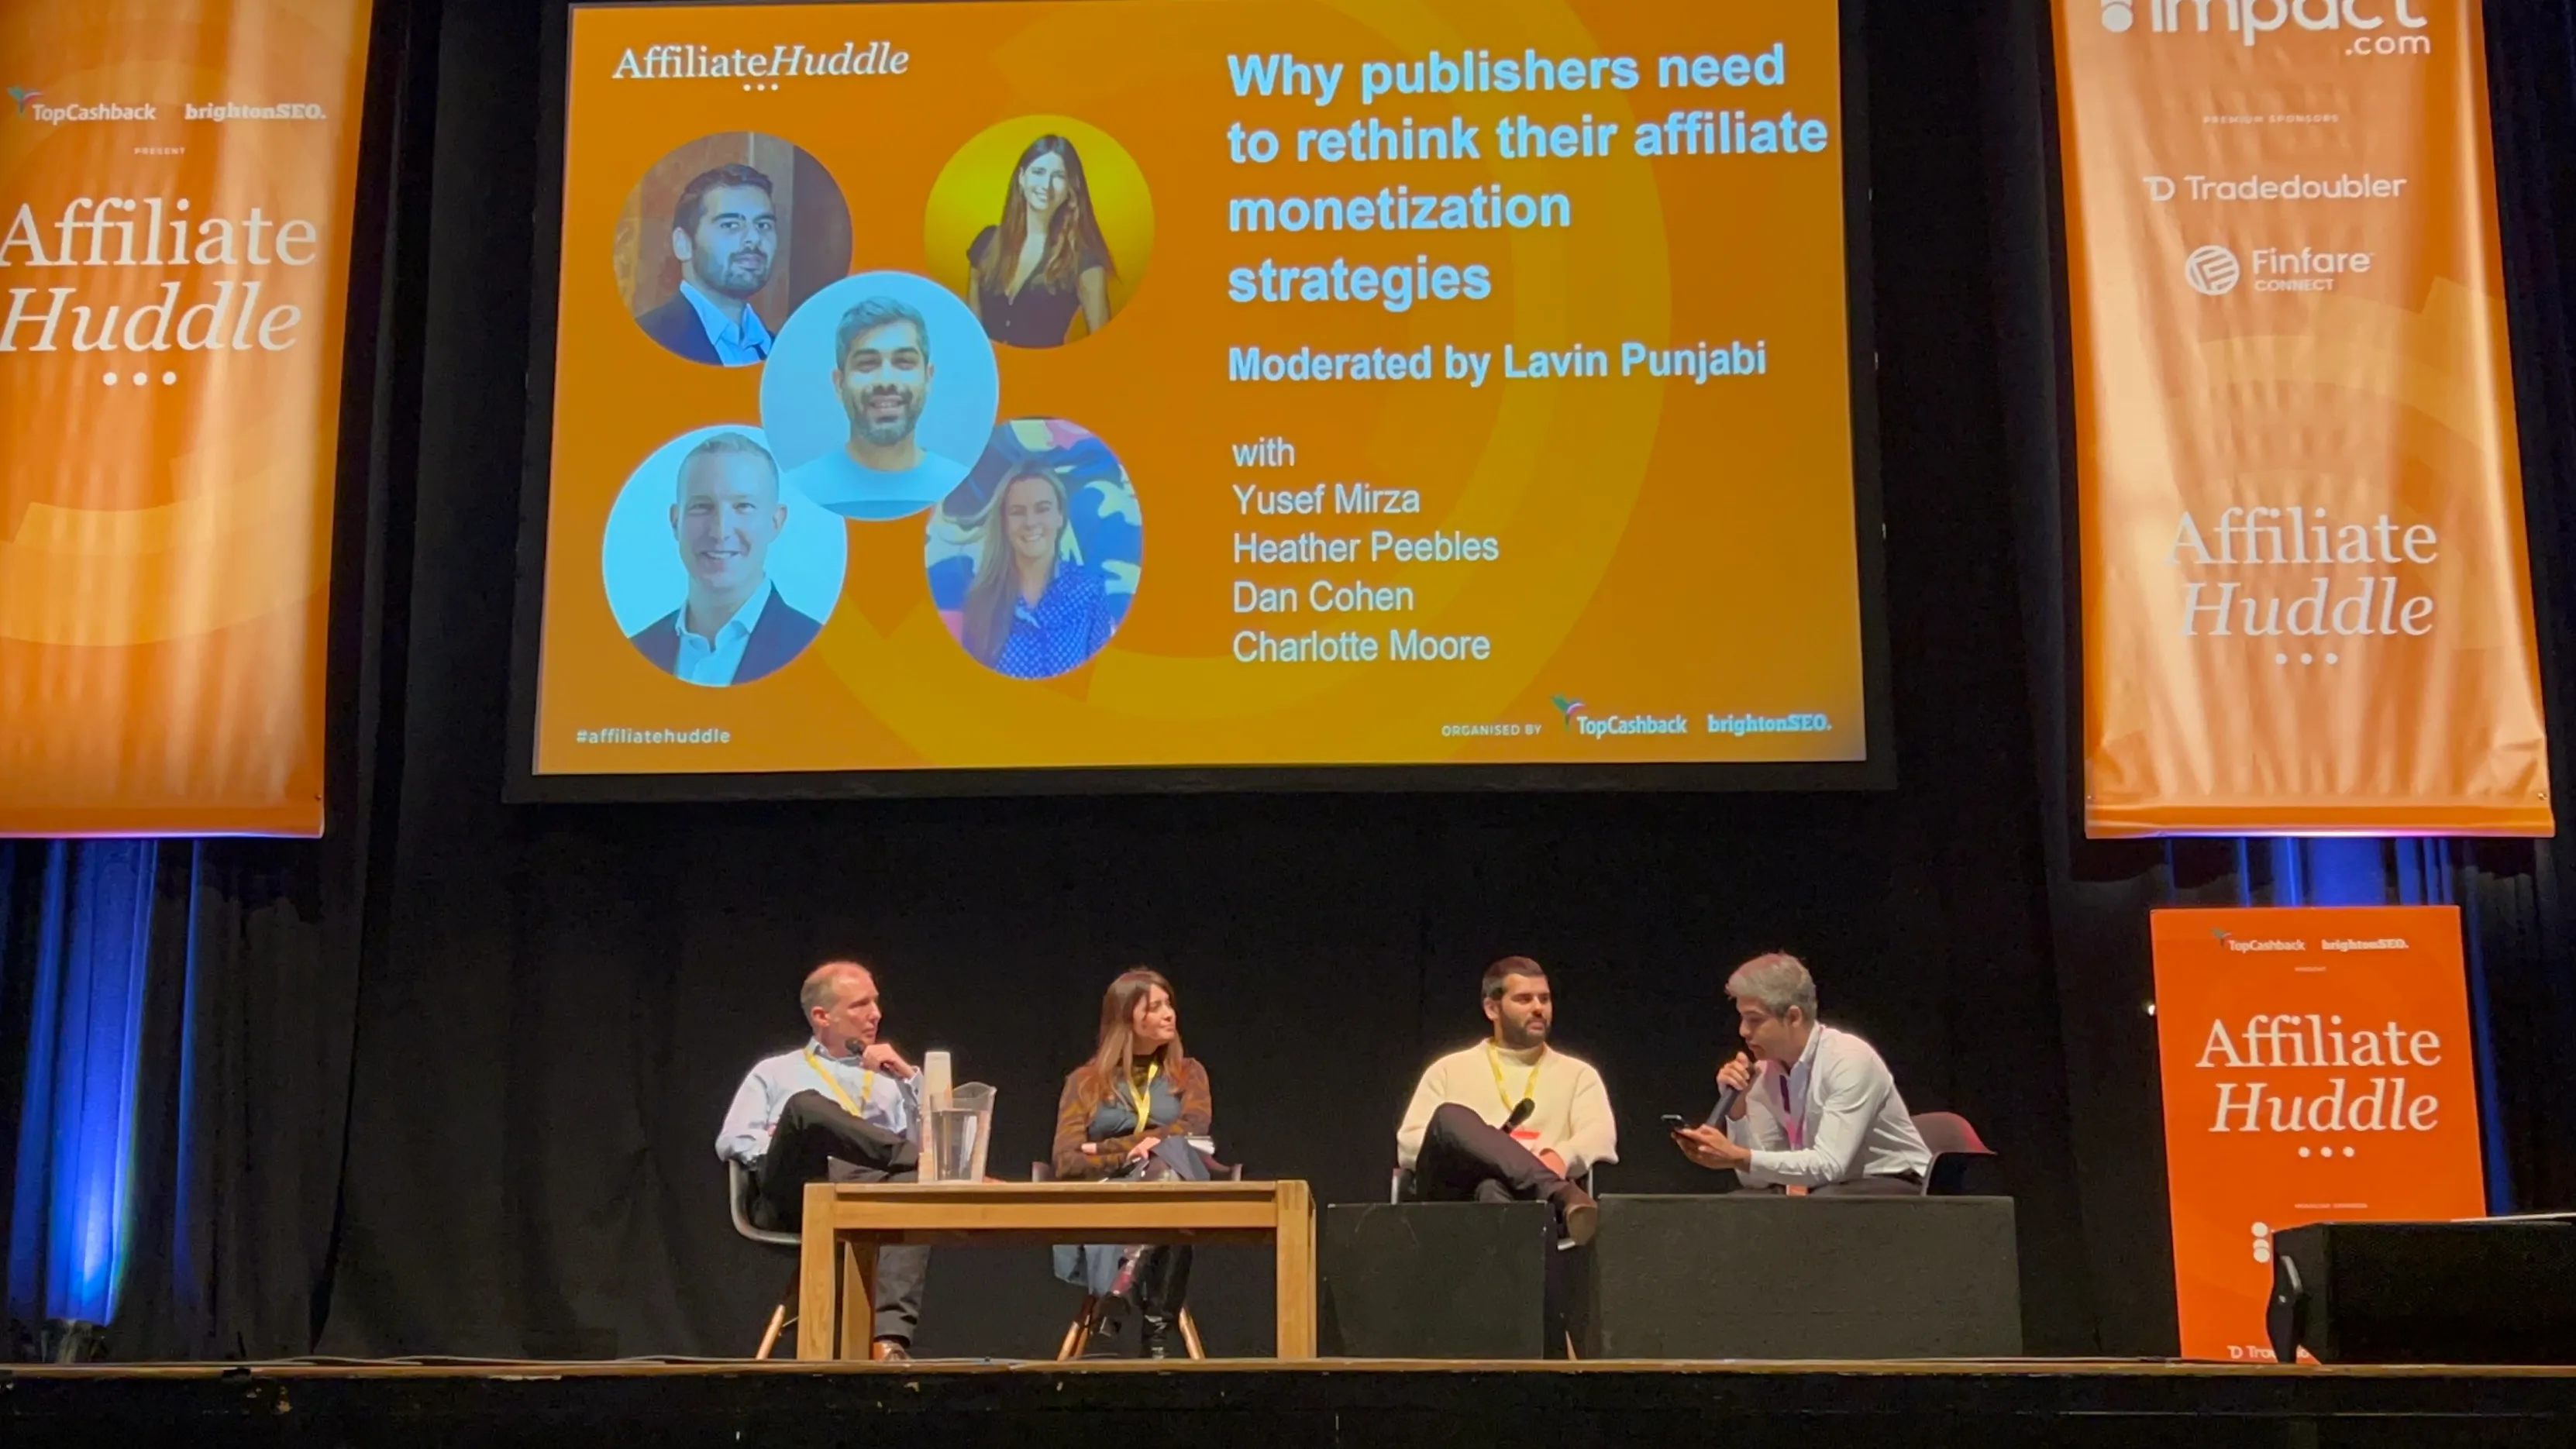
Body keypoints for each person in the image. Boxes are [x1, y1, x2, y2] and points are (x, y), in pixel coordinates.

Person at [715, 960, 929, 1361]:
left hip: (864, 1191)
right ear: (821, 1016)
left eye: (876, 1002)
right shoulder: (776, 1072)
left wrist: (908, 1078)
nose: (876, 1014)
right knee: (806, 1108)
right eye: (860, 1005)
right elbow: (733, 1138)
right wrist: (788, 1140)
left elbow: (933, 1148)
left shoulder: (889, 1082)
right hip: (794, 1194)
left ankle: (888, 1341)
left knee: (918, 1185)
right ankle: (850, 1151)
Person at [1671, 952, 1934, 1195]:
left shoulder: (1848, 1059)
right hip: (1831, 1186)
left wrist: (1737, 1155)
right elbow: (1757, 1180)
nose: (1743, 1031)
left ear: (1793, 1017)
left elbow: (1830, 1164)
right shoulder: (1764, 1072)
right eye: (1742, 1018)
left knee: (1822, 1205)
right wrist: (1738, 1110)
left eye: (1754, 1019)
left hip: (1899, 1182)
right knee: (1740, 1203)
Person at [1049, 969, 1212, 1358]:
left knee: (1171, 1164)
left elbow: (1192, 1128)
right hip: (1110, 1197)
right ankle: (1156, 1337)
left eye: (1169, 1004)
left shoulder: (1188, 1073)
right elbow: (1066, 1159)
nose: (1169, 1014)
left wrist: (1107, 1147)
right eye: (1154, 1007)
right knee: (1170, 1189)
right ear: (1127, 1020)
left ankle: (1120, 1288)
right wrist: (1126, 1155)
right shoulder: (1085, 1082)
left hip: (1179, 1181)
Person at [1394, 957, 1609, 1245]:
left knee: (1492, 1187)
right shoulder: (1447, 1070)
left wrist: (1559, 1157)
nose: (1538, 1008)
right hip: (1452, 1205)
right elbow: (1409, 1146)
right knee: (1449, 1117)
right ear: (1492, 1008)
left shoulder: (1579, 1075)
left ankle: (1513, 1268)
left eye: (1544, 999)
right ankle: (1560, 1192)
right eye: (1524, 999)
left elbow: (1599, 1136)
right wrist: (1487, 1153)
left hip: (1535, 1212)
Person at [626, 432, 820, 687]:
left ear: (776, 522)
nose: (720, 531)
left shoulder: (821, 652)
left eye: (743, 506)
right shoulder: (634, 652)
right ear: (676, 522)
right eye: (702, 506)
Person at [783, 297, 972, 521]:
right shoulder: (799, 492)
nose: (886, 381)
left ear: (928, 378)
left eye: (904, 362)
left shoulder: (960, 491)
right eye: (867, 364)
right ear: (839, 383)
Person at [952, 464, 1121, 678]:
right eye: (1017, 512)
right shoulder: (981, 599)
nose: (1030, 522)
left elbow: (1100, 680)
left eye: (1042, 509)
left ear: (1060, 516)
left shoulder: (1090, 591)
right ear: (1005, 523)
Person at [966, 135, 1116, 348]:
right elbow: (971, 330)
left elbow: (1102, 348)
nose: (1046, 185)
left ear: (1070, 187)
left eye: (1058, 176)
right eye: (1038, 172)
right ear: (1022, 178)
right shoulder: (986, 242)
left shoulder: (1085, 262)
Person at [635, 163, 777, 366]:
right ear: (683, 244)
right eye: (730, 225)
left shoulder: (787, 352)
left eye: (763, 225)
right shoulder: (642, 343)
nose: (754, 238)